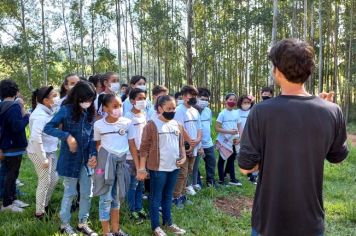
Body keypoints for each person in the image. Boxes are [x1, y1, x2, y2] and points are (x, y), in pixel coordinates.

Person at [238, 39, 349, 236]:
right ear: (308, 70)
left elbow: (246, 168)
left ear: (277, 70)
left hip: (269, 221)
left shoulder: (261, 111)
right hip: (310, 221)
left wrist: (273, 157)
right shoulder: (332, 111)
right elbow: (336, 158)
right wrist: (325, 111)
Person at [44, 81, 98, 236]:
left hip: (86, 161)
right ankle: (64, 224)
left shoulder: (89, 113)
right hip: (70, 160)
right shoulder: (65, 110)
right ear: (77, 97)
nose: (88, 102)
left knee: (87, 193)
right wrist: (67, 136)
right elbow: (48, 127)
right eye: (86, 99)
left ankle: (83, 222)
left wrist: (93, 154)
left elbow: (92, 137)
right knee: (70, 192)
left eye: (91, 99)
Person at [138, 95, 187, 236]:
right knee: (156, 197)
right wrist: (142, 168)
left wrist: (183, 157)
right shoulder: (152, 125)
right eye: (168, 108)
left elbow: (181, 143)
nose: (172, 111)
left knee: (168, 196)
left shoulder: (176, 124)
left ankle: (168, 222)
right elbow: (144, 148)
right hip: (158, 168)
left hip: (174, 167)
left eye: (173, 108)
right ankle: (155, 227)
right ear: (160, 108)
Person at [93, 94, 131, 236]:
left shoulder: (127, 122)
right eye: (115, 106)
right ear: (105, 108)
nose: (118, 109)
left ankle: (116, 230)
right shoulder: (98, 125)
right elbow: (98, 145)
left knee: (116, 198)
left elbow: (131, 142)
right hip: (104, 166)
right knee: (105, 198)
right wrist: (100, 166)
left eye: (120, 106)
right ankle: (106, 232)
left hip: (120, 165)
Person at [27, 86, 60, 219]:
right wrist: (43, 158)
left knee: (54, 179)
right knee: (45, 181)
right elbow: (36, 138)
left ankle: (45, 205)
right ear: (46, 100)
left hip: (50, 151)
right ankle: (39, 213)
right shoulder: (40, 115)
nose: (57, 97)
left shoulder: (48, 110)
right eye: (54, 95)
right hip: (39, 153)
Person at [0, 79, 30, 213]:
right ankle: (7, 204)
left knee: (10, 175)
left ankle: (12, 199)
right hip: (13, 148)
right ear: (15, 91)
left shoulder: (2, 105)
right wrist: (27, 116)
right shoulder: (14, 106)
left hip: (6, 146)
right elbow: (17, 126)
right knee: (11, 176)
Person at [173, 85, 202, 207]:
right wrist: (189, 142)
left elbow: (199, 128)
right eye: (191, 95)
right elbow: (180, 128)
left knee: (189, 171)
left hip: (194, 145)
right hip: (184, 146)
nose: (193, 98)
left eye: (195, 95)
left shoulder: (195, 110)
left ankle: (182, 193)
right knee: (182, 173)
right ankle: (175, 197)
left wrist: (198, 140)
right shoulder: (179, 110)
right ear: (184, 96)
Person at [124, 88, 148, 222]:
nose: (142, 101)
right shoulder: (128, 116)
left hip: (143, 155)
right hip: (131, 156)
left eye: (144, 98)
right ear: (132, 100)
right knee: (132, 184)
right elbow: (130, 139)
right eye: (139, 98)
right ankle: (131, 209)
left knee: (141, 184)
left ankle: (139, 207)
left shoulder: (144, 114)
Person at [215, 93, 242, 186]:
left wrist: (240, 138)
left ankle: (232, 179)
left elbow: (239, 126)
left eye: (234, 100)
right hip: (224, 140)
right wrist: (228, 132)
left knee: (231, 159)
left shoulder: (236, 113)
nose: (232, 101)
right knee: (222, 159)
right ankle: (221, 180)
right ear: (226, 101)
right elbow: (217, 128)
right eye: (230, 99)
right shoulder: (222, 113)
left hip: (234, 140)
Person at [195, 88, 216, 187]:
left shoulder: (208, 111)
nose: (204, 102)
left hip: (208, 142)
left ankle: (210, 181)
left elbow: (208, 125)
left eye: (207, 100)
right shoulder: (193, 111)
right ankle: (197, 182)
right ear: (197, 98)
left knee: (211, 162)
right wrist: (199, 145)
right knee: (195, 165)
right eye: (202, 99)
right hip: (196, 143)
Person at [236, 95, 256, 185]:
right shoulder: (236, 112)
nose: (246, 104)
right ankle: (227, 173)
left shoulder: (253, 112)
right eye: (244, 103)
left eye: (248, 103)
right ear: (240, 103)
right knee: (235, 155)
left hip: (250, 136)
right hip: (238, 137)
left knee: (249, 155)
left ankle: (250, 175)